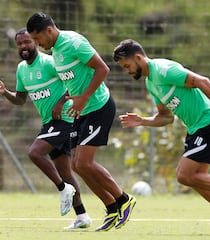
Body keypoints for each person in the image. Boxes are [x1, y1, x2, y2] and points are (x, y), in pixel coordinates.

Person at [113, 39, 210, 235]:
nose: (127, 71)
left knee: (184, 175)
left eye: (127, 66)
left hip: (209, 121)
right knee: (195, 178)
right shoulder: (151, 83)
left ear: (138, 58)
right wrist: (143, 121)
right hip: (196, 128)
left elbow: (204, 82)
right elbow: (166, 117)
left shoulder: (163, 70)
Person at [26, 12, 136, 232]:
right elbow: (72, 79)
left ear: (49, 31)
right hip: (80, 110)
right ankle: (112, 207)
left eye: (37, 39)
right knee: (78, 166)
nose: (36, 44)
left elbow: (102, 68)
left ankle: (124, 199)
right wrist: (63, 100)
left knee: (84, 163)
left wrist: (84, 98)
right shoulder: (56, 50)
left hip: (98, 107)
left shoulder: (73, 43)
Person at [0, 28, 91, 230]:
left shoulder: (49, 62)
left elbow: (71, 85)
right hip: (50, 123)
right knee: (65, 172)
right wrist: (4, 93)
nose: (23, 47)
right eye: (19, 44)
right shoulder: (21, 69)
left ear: (35, 42)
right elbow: (20, 100)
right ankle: (82, 216)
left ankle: (62, 190)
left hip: (65, 118)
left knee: (35, 153)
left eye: (27, 42)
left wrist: (60, 103)